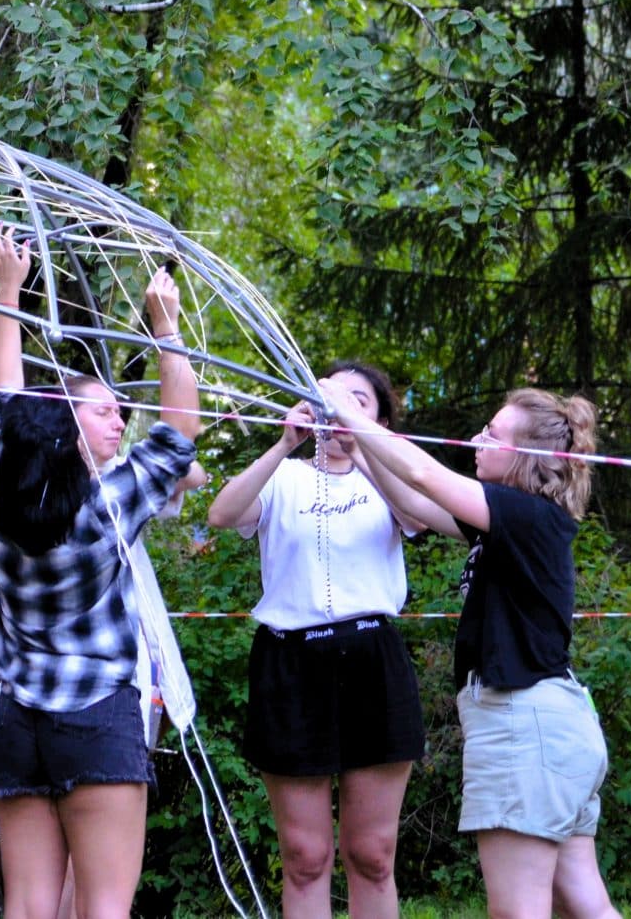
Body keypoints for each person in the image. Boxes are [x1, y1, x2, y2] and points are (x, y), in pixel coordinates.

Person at [314, 381, 620, 919]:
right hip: (556, 725)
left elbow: (424, 474)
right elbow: (414, 500)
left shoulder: (524, 515)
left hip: (526, 725)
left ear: (528, 455)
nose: (477, 439)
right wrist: (360, 450)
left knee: (518, 910)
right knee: (582, 904)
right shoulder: (510, 522)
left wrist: (347, 412)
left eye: (492, 434)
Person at [0, 227, 206, 919]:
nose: (119, 420)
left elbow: (3, 395)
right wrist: (167, 330)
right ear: (65, 427)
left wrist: (9, 290)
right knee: (104, 910)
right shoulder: (110, 505)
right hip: (96, 718)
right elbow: (181, 431)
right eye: (104, 411)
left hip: (18, 723)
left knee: (26, 908)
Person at [203, 362, 441, 919]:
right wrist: (284, 444)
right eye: (329, 397)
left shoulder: (386, 479)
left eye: (356, 401)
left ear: (378, 420)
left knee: (373, 854)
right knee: (306, 856)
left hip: (373, 661)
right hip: (289, 664)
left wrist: (364, 450)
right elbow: (221, 514)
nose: (337, 409)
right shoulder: (283, 476)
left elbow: (419, 518)